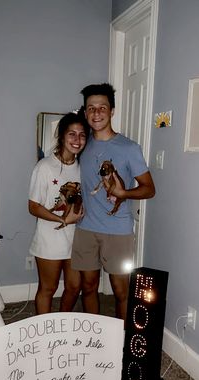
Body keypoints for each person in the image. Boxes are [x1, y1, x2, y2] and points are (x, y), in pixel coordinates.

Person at [71, 83, 155, 326]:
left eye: (102, 108)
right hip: (85, 229)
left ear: (112, 111)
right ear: (85, 112)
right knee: (88, 288)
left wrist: (124, 193)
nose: (96, 113)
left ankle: (123, 341)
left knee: (121, 291)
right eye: (91, 108)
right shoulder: (82, 145)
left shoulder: (129, 148)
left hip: (118, 231)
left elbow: (149, 189)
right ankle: (94, 338)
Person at [28, 110, 89, 314]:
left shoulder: (83, 167)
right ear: (62, 136)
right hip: (49, 238)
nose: (77, 139)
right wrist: (63, 219)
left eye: (82, 135)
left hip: (75, 240)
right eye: (72, 134)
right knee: (48, 288)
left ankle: (61, 326)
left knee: (74, 286)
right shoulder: (45, 167)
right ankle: (44, 334)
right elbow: (33, 206)